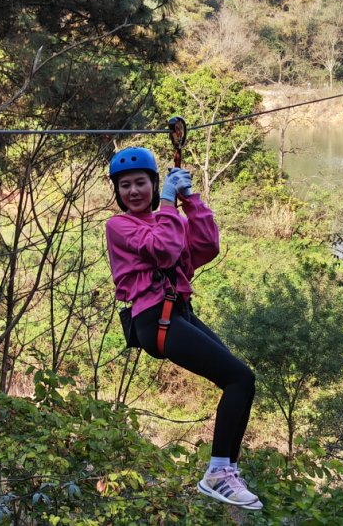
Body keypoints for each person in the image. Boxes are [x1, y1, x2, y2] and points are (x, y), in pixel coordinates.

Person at [104, 147, 261, 511]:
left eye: (141, 183)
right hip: (153, 318)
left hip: (178, 312)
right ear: (117, 193)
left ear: (153, 182)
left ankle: (226, 471)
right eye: (125, 186)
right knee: (237, 378)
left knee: (244, 381)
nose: (133, 191)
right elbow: (163, 251)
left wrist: (190, 201)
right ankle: (217, 474)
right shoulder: (120, 226)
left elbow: (206, 247)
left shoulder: (170, 217)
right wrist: (167, 203)